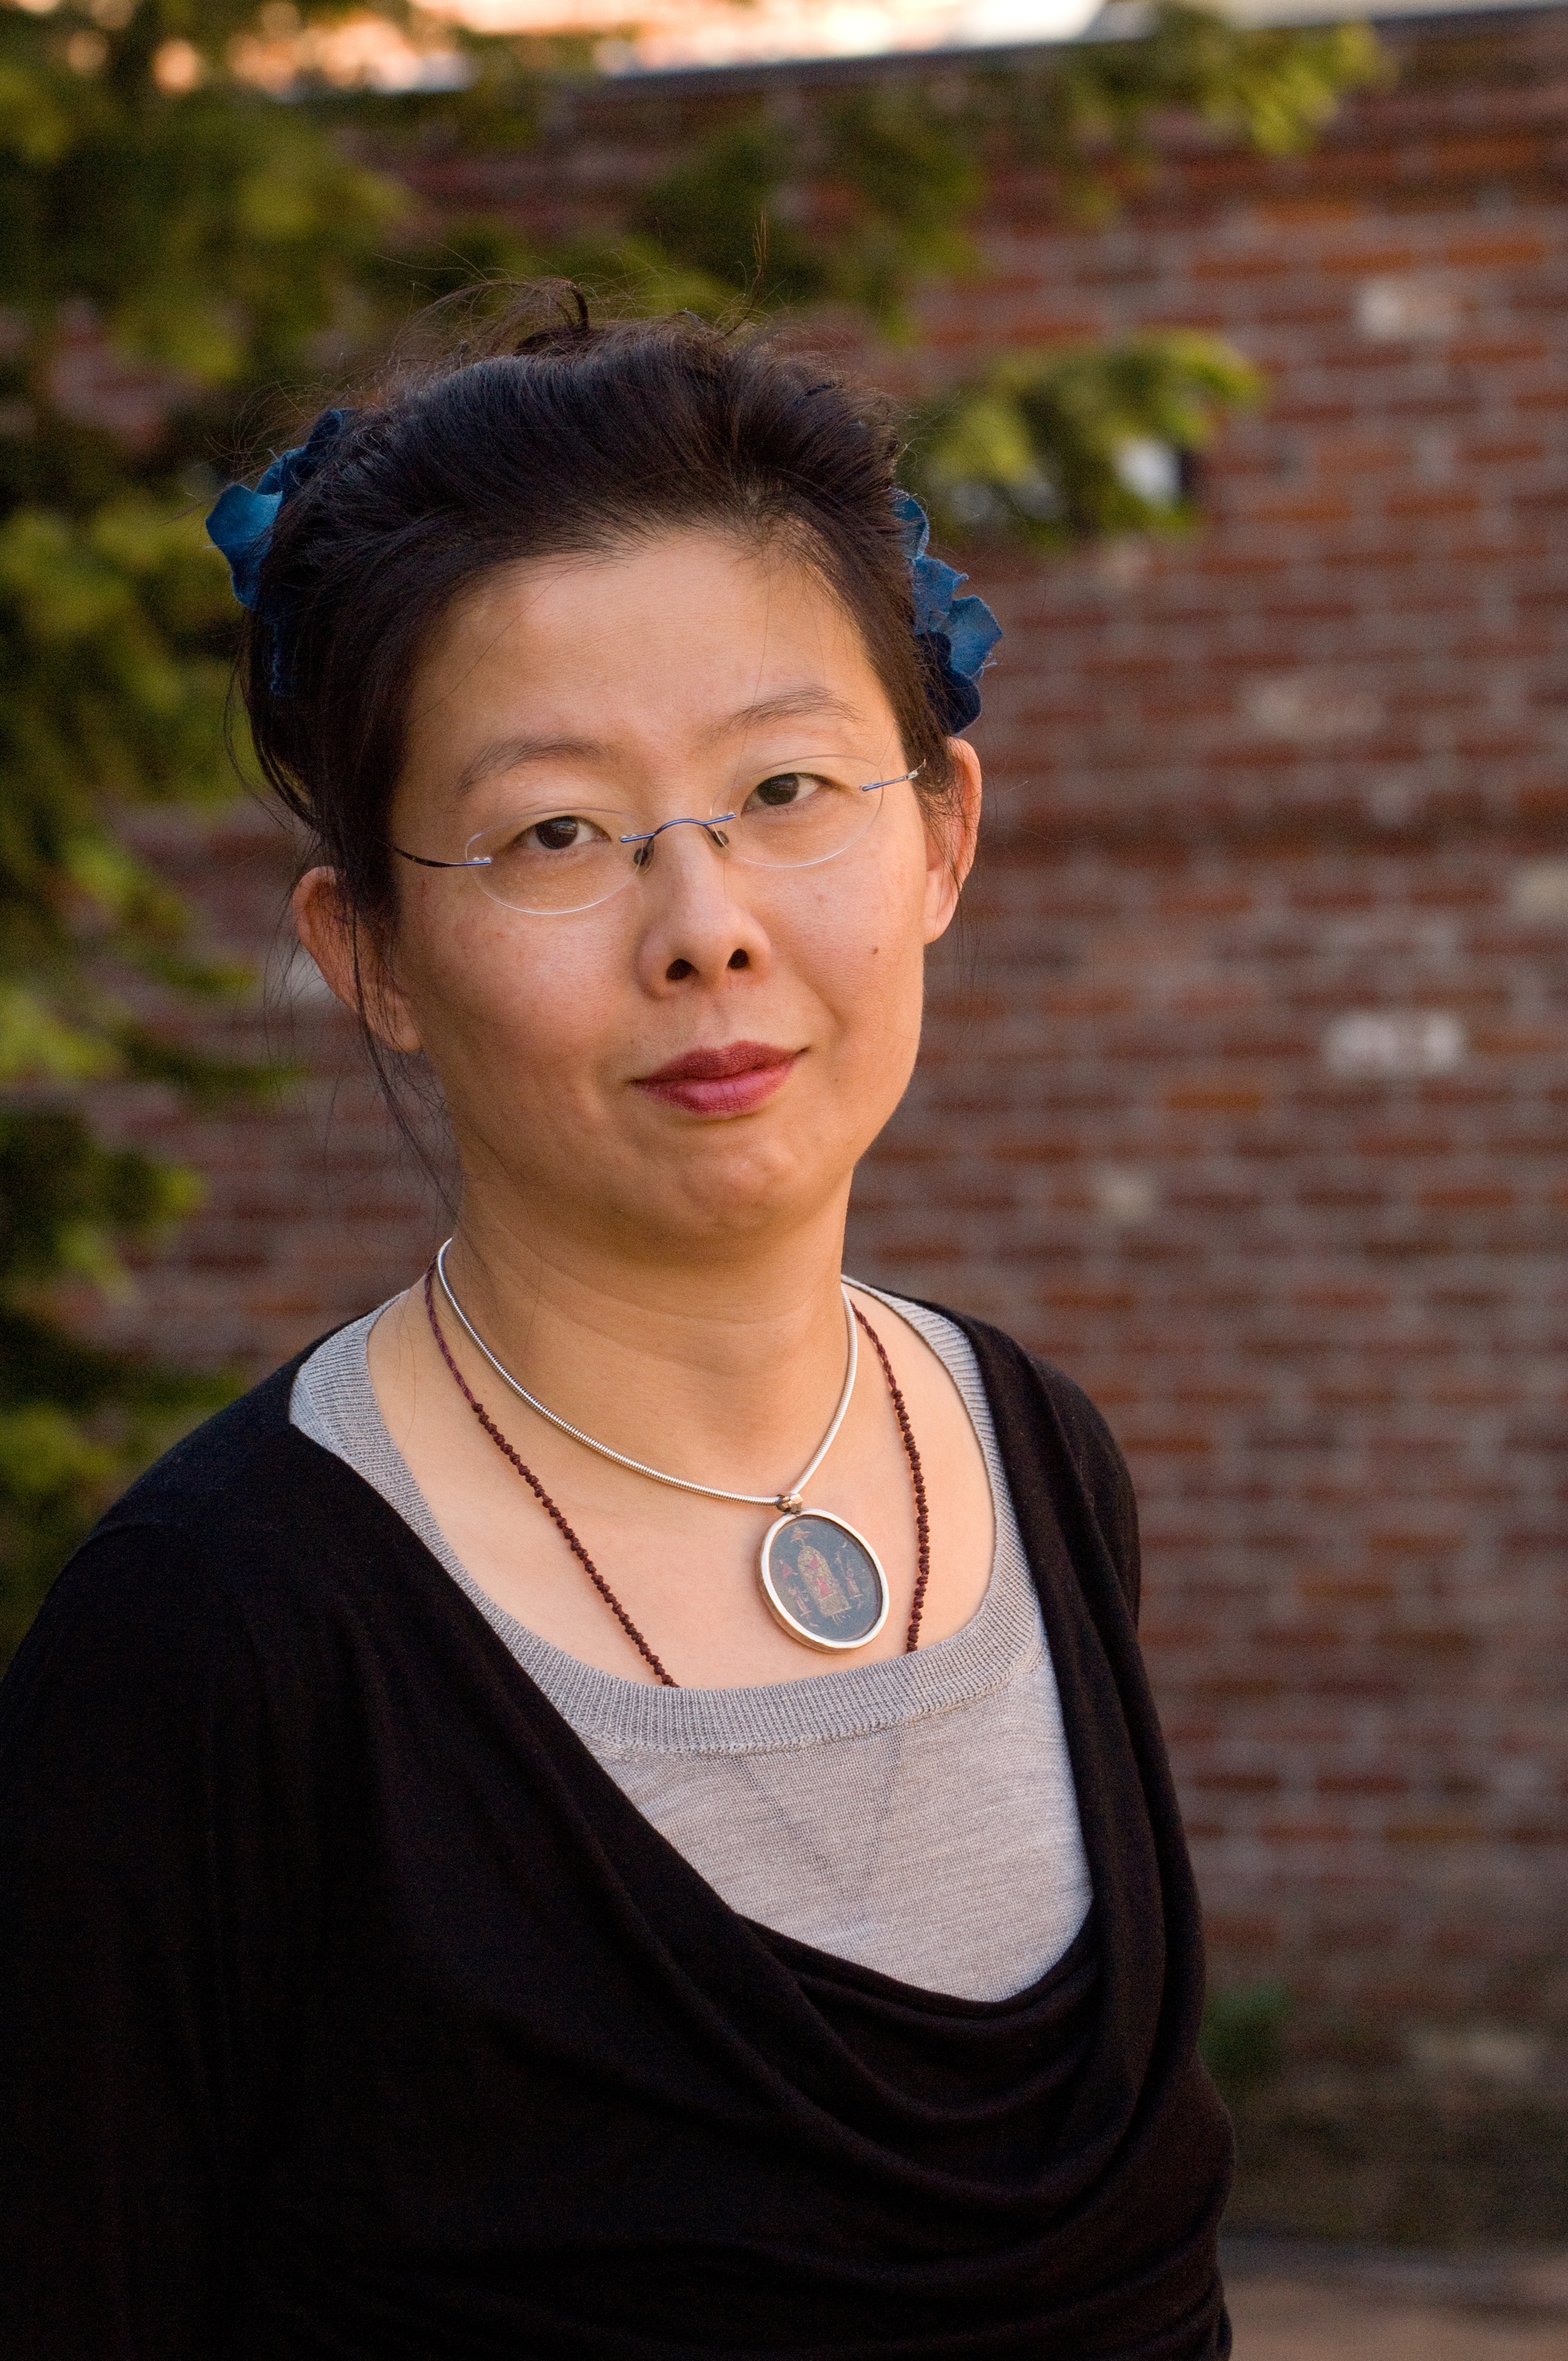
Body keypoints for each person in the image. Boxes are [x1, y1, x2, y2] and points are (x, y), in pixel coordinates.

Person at [0, 301, 1233, 2359]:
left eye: (784, 784)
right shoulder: (214, 1644)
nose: (706, 920)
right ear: (370, 952)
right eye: (558, 828)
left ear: (941, 830)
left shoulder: (1031, 1455)